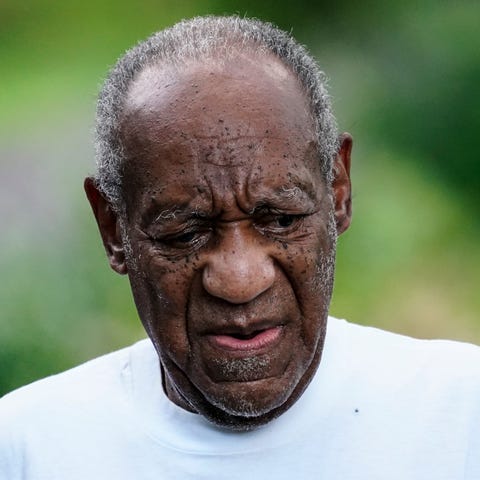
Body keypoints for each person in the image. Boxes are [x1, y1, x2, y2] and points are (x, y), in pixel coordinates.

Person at [1, 15, 479, 479]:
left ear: (337, 190)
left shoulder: (460, 418)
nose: (239, 280)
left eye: (280, 219)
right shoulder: (29, 448)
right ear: (113, 229)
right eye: (185, 234)